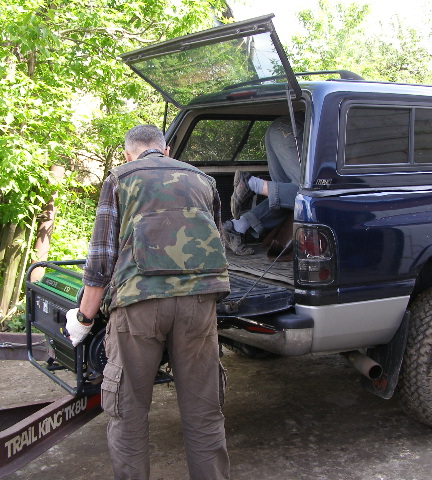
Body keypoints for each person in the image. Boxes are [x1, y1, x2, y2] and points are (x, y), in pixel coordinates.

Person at [66, 124, 231, 480]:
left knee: (128, 412)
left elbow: (101, 260)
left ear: (128, 154)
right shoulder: (203, 180)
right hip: (198, 307)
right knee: (204, 412)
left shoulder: (120, 179)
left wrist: (83, 318)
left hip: (138, 307)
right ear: (166, 150)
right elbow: (216, 246)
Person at [221, 115, 304, 255]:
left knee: (285, 195)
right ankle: (251, 184)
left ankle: (237, 226)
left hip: (278, 128)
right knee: (309, 193)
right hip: (292, 130)